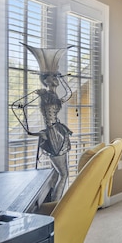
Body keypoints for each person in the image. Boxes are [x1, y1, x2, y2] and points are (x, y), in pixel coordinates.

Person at [11, 43, 73, 201]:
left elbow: (68, 94)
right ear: (47, 80)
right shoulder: (46, 97)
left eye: (56, 76)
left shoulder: (52, 96)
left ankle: (51, 204)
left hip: (57, 131)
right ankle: (57, 207)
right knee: (64, 174)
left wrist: (62, 79)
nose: (56, 79)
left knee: (56, 174)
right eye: (54, 77)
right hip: (53, 134)